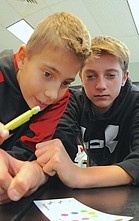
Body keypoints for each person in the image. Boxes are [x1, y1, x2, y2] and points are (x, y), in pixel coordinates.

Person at [35, 36, 139, 189]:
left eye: (110, 75)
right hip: (94, 185)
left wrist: (78, 176)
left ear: (124, 78)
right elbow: (59, 147)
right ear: (81, 78)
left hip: (131, 191)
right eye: (90, 76)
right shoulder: (71, 101)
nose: (101, 85)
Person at [0, 12, 91, 204]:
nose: (53, 94)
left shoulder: (60, 100)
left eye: (66, 82)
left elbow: (29, 149)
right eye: (48, 74)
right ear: (23, 58)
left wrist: (20, 173)